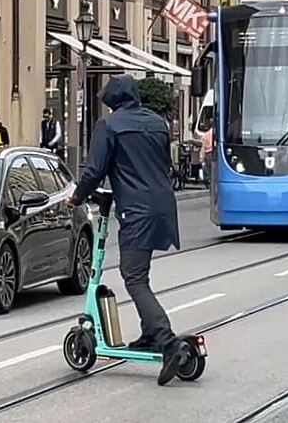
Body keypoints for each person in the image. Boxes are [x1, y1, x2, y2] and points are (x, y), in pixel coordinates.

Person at [67, 74, 190, 386]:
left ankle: (167, 340)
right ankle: (149, 334)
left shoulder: (109, 126)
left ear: (112, 102)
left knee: (133, 278)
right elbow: (160, 164)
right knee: (141, 274)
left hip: (136, 209)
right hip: (163, 204)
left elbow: (95, 169)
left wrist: (77, 197)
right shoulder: (157, 122)